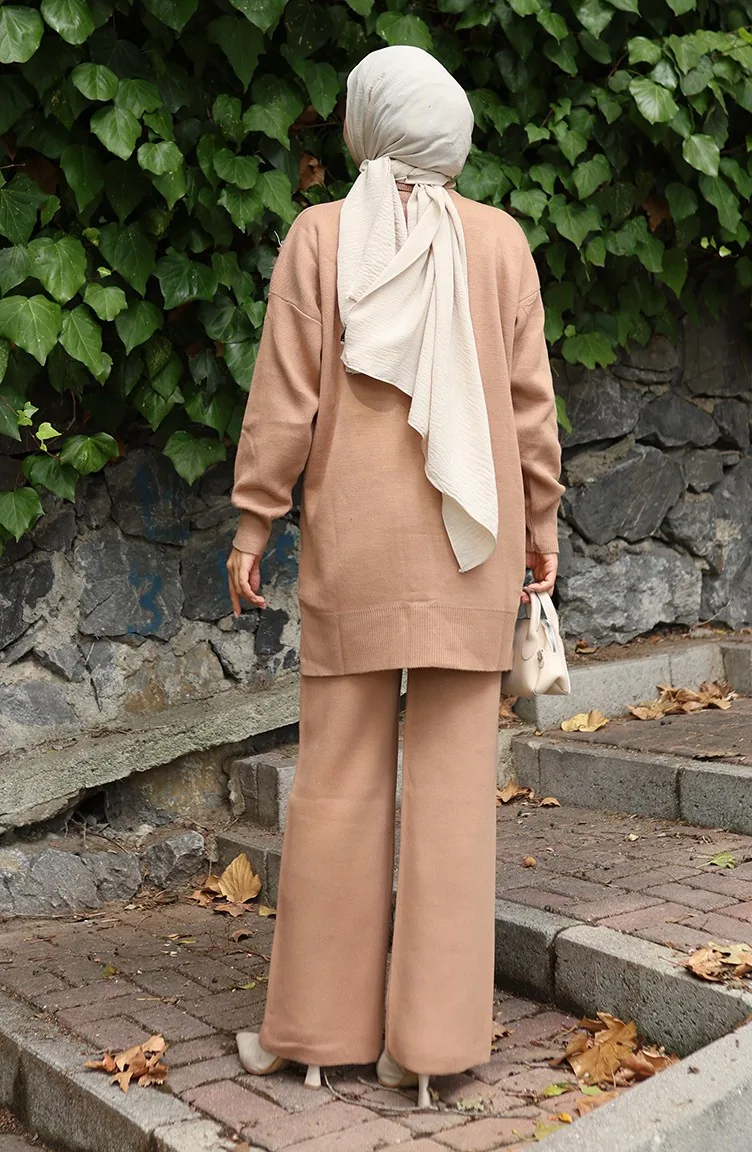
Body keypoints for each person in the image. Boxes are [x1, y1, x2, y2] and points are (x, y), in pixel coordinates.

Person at [227, 45, 564, 1106]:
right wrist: (541, 525)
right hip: (475, 547)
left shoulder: (321, 236)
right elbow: (530, 408)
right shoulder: (500, 241)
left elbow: (285, 397)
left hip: (355, 552)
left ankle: (314, 1035)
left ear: (369, 122)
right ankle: (431, 1050)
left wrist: (253, 522)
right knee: (456, 799)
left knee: (335, 785)